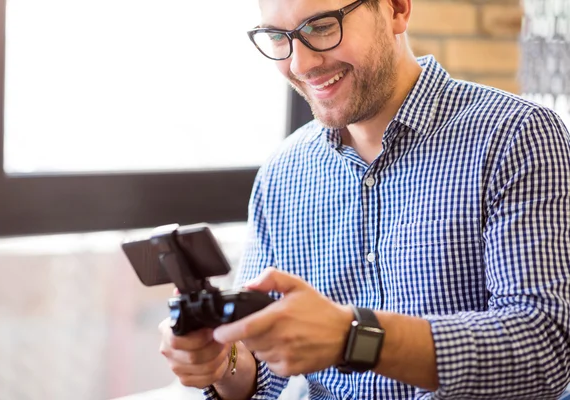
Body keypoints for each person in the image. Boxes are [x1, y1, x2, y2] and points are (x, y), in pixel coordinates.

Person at [158, 0, 570, 398]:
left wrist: (354, 336)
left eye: (321, 26)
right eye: (278, 37)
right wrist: (221, 362)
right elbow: (259, 370)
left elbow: (545, 350)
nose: (300, 64)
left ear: (397, 8)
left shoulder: (518, 136)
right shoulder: (283, 173)